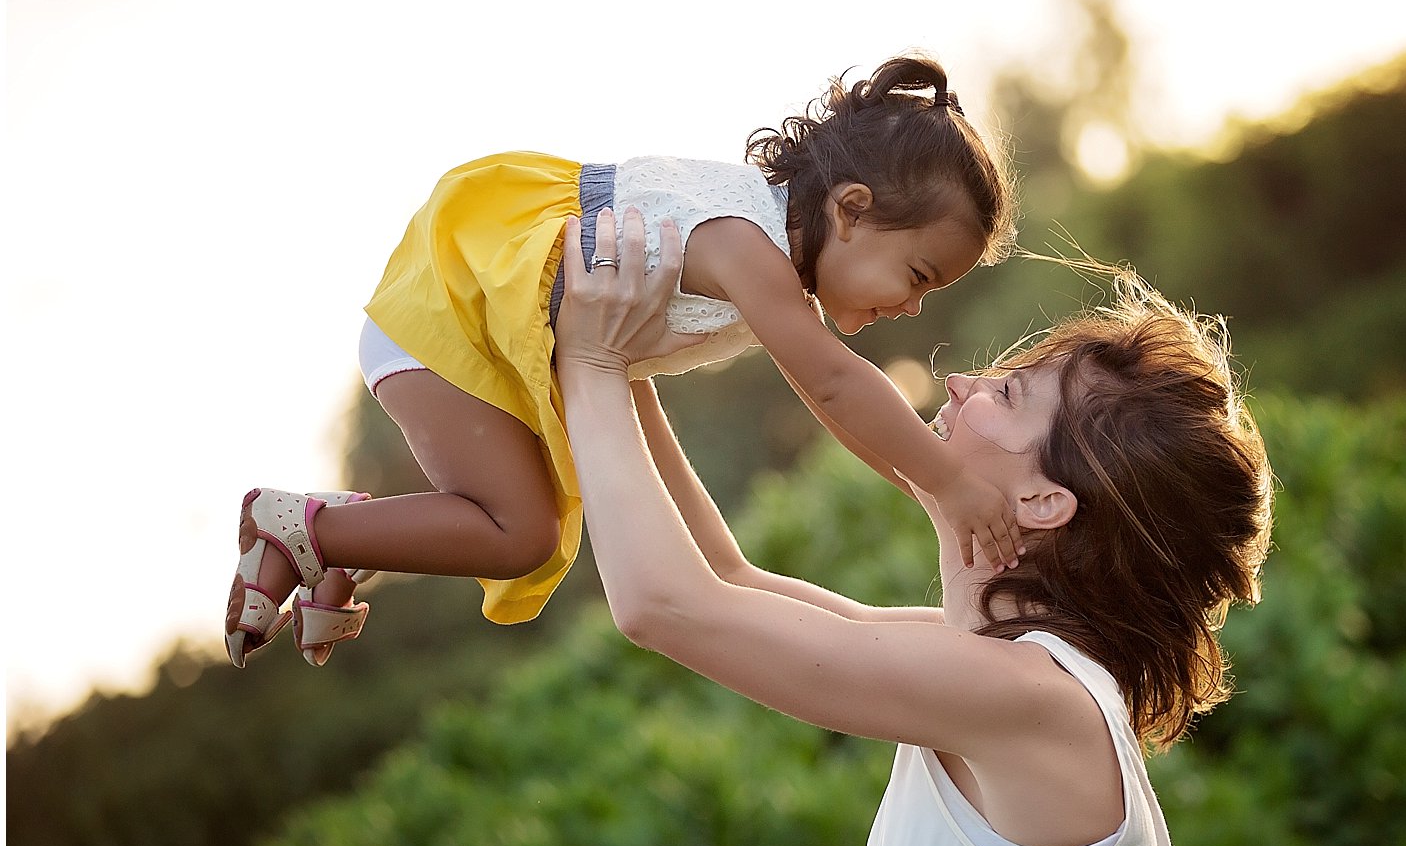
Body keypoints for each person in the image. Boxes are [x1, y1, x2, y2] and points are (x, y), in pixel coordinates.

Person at [554, 208, 1274, 846]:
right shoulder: (981, 658)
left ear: (1043, 503)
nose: (963, 382)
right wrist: (622, 371)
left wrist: (589, 363)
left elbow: (665, 607)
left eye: (1008, 392)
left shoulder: (1029, 694)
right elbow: (729, 583)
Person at [225, 54, 1022, 669]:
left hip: (508, 331)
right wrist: (948, 485)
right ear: (850, 211)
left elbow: (756, 521)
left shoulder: (763, 279)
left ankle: (340, 540)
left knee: (523, 529)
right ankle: (306, 529)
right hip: (457, 309)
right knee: (522, 534)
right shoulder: (745, 242)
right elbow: (837, 386)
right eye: (918, 276)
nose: (915, 306)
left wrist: (937, 495)